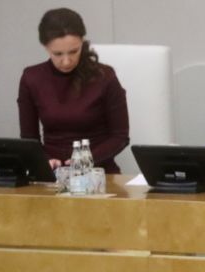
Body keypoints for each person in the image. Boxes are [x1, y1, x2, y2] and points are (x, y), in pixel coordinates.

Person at [18, 7, 129, 173]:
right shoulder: (31, 78)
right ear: (45, 47)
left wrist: (88, 159)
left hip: (98, 172)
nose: (66, 61)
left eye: (73, 51)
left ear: (82, 41)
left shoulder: (104, 76)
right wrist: (45, 159)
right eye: (58, 54)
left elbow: (120, 136)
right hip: (52, 174)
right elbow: (29, 139)